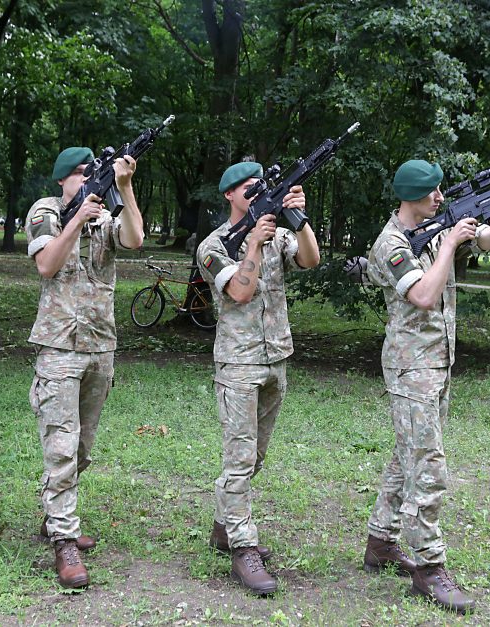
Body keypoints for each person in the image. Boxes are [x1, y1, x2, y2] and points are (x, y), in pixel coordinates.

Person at [362, 159, 490, 613]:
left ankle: (381, 542)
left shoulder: (435, 227)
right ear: (412, 195)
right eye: (433, 193)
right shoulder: (392, 243)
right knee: (427, 464)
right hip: (411, 367)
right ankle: (429, 569)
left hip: (436, 364)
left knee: (407, 454)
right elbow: (423, 296)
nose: (441, 198)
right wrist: (448, 242)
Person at [196, 162, 321, 595]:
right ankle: (242, 548)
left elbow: (310, 259)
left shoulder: (279, 234)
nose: (256, 196)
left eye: (261, 190)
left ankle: (224, 526)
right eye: (250, 191)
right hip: (238, 363)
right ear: (229, 195)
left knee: (257, 456)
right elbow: (239, 292)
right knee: (239, 458)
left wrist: (298, 218)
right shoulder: (213, 246)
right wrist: (252, 243)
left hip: (275, 357)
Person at [24, 147, 143, 588]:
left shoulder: (103, 218)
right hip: (58, 347)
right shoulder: (48, 211)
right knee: (60, 447)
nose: (88, 181)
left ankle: (55, 519)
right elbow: (46, 264)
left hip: (99, 345)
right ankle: (64, 540)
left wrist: (125, 189)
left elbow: (133, 238)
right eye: (81, 175)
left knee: (82, 449)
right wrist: (77, 217)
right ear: (63, 179)